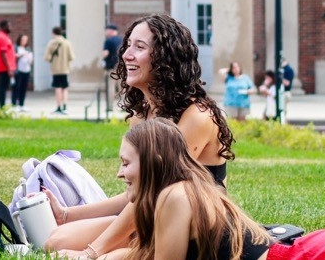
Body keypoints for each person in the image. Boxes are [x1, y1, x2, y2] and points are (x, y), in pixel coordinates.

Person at [86, 111, 325, 260]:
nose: (119, 174)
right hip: (318, 250)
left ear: (152, 162)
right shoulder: (187, 193)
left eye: (125, 163)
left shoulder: (174, 196)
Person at [44, 13, 235, 254]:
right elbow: (137, 194)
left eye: (139, 46)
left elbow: (154, 190)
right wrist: (67, 214)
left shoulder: (196, 116)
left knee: (71, 246)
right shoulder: (142, 116)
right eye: (128, 45)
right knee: (56, 240)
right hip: (152, 216)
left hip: (194, 228)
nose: (126, 54)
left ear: (166, 58)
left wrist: (91, 252)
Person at [44, 26, 75, 115]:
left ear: (53, 33)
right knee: (65, 87)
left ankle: (58, 106)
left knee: (57, 87)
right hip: (65, 69)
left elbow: (46, 57)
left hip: (55, 69)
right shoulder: (66, 43)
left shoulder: (51, 43)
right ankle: (65, 106)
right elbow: (71, 57)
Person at [0, 20, 16, 109]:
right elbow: (3, 54)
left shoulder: (2, 36)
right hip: (4, 68)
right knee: (3, 88)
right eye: (9, 26)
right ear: (4, 27)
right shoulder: (2, 37)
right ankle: (2, 106)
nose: (11, 28)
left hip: (5, 68)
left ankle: (3, 106)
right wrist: (9, 69)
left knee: (4, 87)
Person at [101, 24, 123, 109]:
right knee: (122, 87)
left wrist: (102, 59)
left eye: (107, 30)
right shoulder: (122, 40)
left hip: (112, 67)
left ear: (111, 31)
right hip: (121, 67)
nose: (106, 32)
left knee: (111, 87)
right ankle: (123, 106)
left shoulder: (108, 41)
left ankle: (110, 107)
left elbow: (105, 53)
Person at [12, 34, 33, 110]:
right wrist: (21, 55)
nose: (24, 41)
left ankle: (22, 104)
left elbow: (31, 60)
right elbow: (13, 56)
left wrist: (30, 59)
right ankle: (14, 104)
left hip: (26, 70)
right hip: (18, 71)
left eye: (25, 40)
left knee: (23, 88)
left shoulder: (28, 49)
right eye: (22, 39)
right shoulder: (16, 47)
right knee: (16, 87)